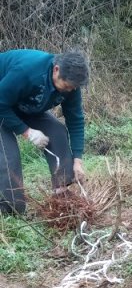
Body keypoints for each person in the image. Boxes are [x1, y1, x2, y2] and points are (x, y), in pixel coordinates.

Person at [0, 49, 89, 216]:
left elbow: (75, 119)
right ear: (56, 69)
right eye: (66, 86)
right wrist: (26, 131)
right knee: (8, 155)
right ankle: (11, 209)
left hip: (22, 105)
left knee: (57, 131)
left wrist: (78, 160)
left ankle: (61, 194)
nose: (68, 91)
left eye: (72, 88)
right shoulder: (28, 71)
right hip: (2, 103)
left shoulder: (71, 85)